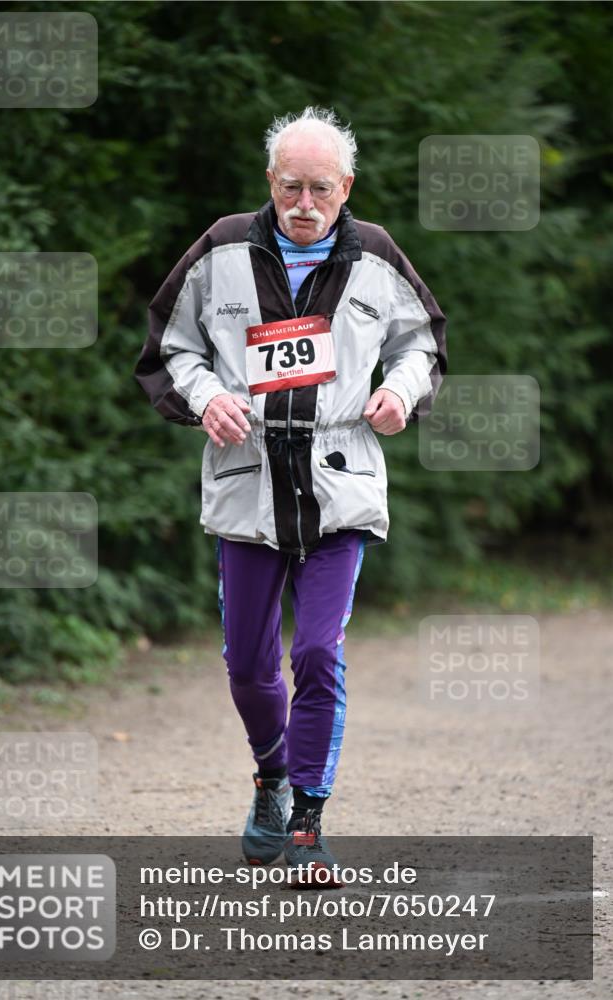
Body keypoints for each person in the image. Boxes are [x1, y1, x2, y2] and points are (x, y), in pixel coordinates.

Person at [134, 107, 447, 885]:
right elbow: (170, 346)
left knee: (315, 650)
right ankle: (270, 778)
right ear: (269, 183)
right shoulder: (220, 249)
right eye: (288, 187)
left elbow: (424, 343)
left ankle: (307, 821)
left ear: (345, 189)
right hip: (248, 484)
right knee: (246, 663)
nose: (303, 204)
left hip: (339, 482)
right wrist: (206, 397)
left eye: (319, 189)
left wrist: (400, 392)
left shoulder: (375, 255)